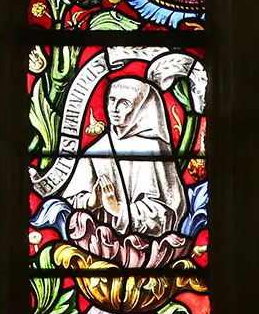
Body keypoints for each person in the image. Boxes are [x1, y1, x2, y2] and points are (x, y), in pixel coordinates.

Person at [59, 75, 187, 239]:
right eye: (112, 100)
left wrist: (118, 209)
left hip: (148, 246)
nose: (114, 108)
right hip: (97, 243)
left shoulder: (154, 149)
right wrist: (91, 202)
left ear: (142, 108)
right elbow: (68, 203)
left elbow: (169, 212)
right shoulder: (96, 149)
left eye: (124, 103)